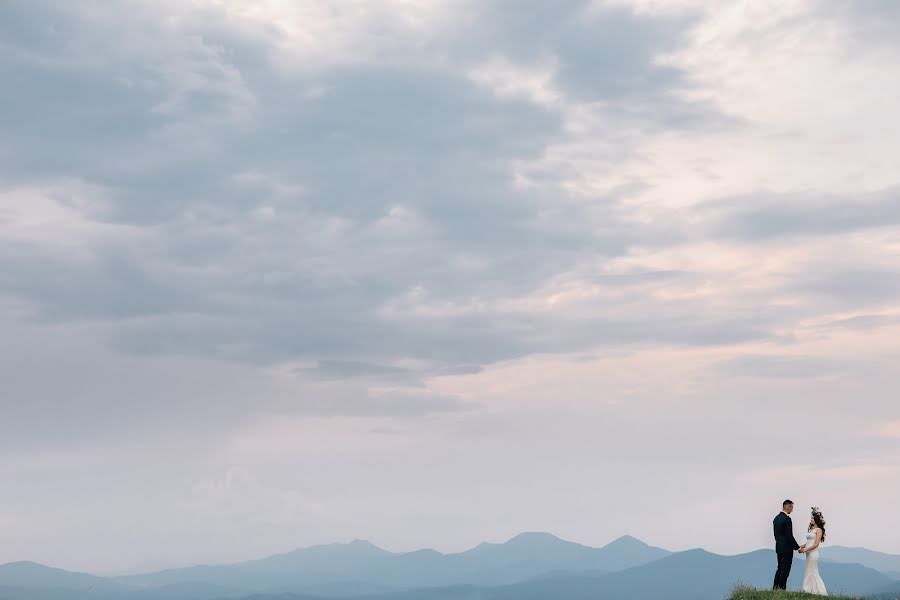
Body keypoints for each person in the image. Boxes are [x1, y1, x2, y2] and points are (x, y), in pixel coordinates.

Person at [773, 499, 805, 590]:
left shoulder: (776, 518)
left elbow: (777, 535)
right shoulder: (787, 519)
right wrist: (798, 548)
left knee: (779, 568)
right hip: (787, 549)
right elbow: (789, 536)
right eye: (792, 507)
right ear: (787, 506)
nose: (792, 510)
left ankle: (775, 588)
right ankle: (782, 588)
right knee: (785, 570)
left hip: (779, 547)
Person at [801, 506, 828, 595]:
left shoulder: (819, 530)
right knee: (808, 570)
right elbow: (809, 542)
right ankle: (810, 590)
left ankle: (818, 591)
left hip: (813, 553)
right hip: (808, 553)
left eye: (813, 518)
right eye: (811, 518)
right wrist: (800, 547)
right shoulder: (811, 529)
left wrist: (806, 549)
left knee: (812, 571)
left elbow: (816, 544)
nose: (811, 519)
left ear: (816, 519)